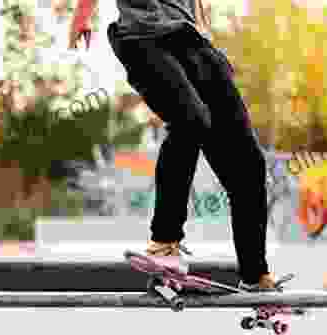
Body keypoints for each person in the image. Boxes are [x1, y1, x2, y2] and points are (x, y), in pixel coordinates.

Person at [68, 0, 278, 289]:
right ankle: (164, 243)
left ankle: (255, 275)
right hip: (143, 36)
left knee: (249, 166)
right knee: (190, 120)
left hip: (194, 41)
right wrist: (82, 14)